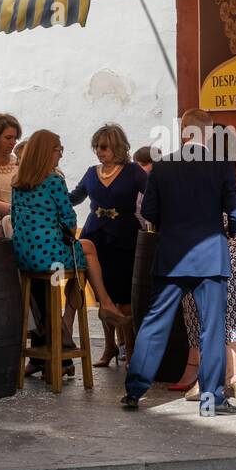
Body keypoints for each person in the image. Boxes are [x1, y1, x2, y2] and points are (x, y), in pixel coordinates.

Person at [121, 108, 236, 416]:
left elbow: (148, 211)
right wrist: (230, 232)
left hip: (171, 257)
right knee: (212, 329)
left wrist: (172, 226)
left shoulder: (162, 167)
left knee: (154, 323)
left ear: (184, 132)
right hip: (210, 260)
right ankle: (210, 400)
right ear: (208, 134)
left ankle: (134, 392)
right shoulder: (221, 167)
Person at [10, 131, 127, 379]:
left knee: (82, 256)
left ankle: (69, 324)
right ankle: (99, 306)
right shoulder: (53, 181)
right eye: (58, 149)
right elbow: (69, 218)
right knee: (88, 251)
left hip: (24, 254)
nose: (61, 153)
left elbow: (16, 217)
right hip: (49, 254)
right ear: (46, 153)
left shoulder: (18, 182)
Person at [172, 131, 236, 399]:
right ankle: (230, 375)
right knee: (232, 310)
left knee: (202, 310)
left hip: (205, 249)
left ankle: (209, 377)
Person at [69, 124, 146, 367]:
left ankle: (131, 348)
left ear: (117, 147)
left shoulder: (134, 171)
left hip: (125, 236)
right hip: (96, 236)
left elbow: (153, 195)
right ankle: (109, 346)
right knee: (105, 296)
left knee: (124, 295)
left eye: (104, 147)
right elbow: (73, 197)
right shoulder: (92, 173)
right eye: (97, 147)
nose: (99, 152)